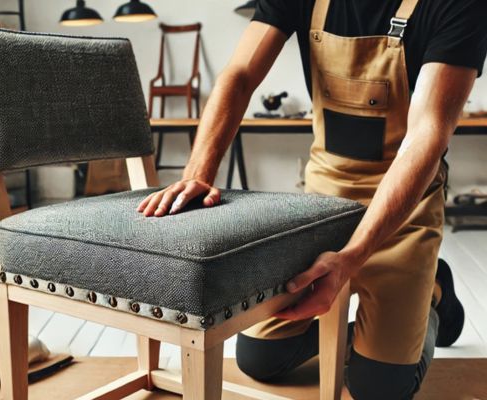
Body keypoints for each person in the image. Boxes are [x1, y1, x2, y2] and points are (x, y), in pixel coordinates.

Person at [137, 0, 487, 398]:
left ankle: (433, 294)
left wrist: (351, 256)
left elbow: (427, 134)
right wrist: (197, 173)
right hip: (322, 203)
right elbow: (238, 76)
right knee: (261, 359)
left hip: (405, 209)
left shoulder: (459, 6)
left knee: (379, 389)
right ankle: (357, 332)